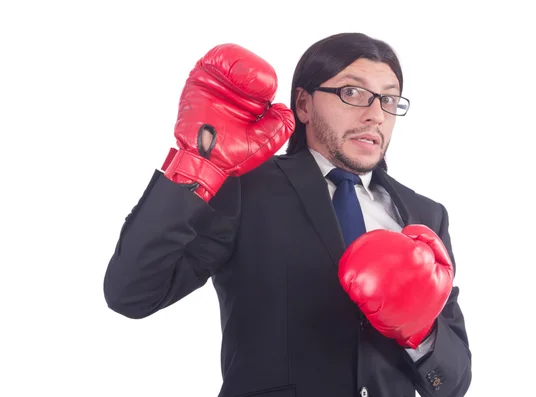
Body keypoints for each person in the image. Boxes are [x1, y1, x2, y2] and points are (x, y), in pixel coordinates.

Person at [103, 33, 472, 397]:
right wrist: (197, 166)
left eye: (388, 99)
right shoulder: (246, 187)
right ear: (305, 104)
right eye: (353, 92)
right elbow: (132, 294)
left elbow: (452, 384)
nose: (375, 114)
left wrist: (420, 331)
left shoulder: (425, 216)